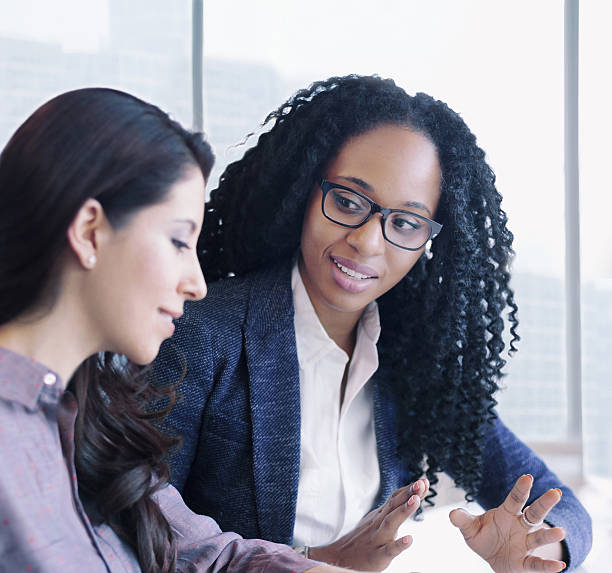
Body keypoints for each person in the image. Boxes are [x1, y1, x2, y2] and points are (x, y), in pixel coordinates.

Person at [154, 75, 592, 572]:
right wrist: (314, 563)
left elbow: (564, 508)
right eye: (347, 202)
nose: (367, 241)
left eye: (404, 223)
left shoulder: (411, 362)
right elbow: (131, 530)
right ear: (303, 189)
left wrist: (536, 546)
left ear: (429, 241)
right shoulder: (202, 336)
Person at [0, 87, 367, 573]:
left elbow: (213, 559)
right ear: (90, 232)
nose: (196, 284)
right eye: (177, 240)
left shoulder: (88, 421)